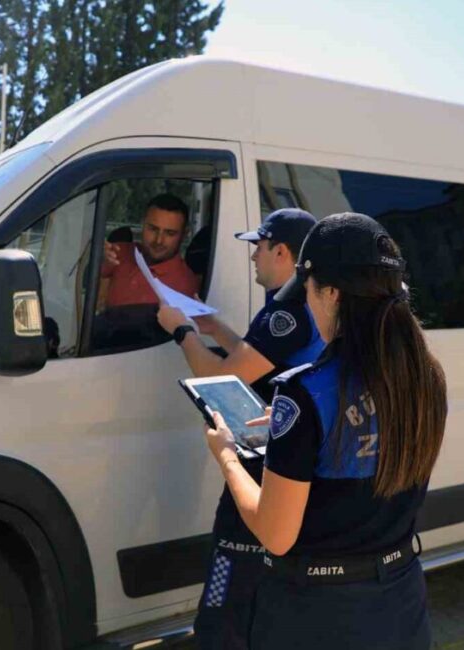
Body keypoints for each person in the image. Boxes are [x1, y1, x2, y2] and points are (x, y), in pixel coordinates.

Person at [202, 213, 448, 650]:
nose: (307, 303)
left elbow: (276, 534)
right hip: (400, 601)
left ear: (331, 293)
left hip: (317, 615)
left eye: (309, 290)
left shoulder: (304, 392)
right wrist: (291, 436)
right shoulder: (426, 377)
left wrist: (227, 455)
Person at [156, 208, 322, 649]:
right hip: (283, 466)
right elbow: (264, 360)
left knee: (224, 607)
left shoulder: (287, 311)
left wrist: (182, 332)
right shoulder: (300, 304)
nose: (252, 256)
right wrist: (217, 328)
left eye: (258, 246)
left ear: (282, 251)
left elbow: (224, 377)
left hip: (261, 469)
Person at [100, 193, 199, 310]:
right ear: (143, 224)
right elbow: (91, 307)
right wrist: (100, 264)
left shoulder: (185, 283)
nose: (159, 240)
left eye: (170, 233)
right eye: (153, 229)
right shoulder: (118, 253)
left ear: (184, 235)